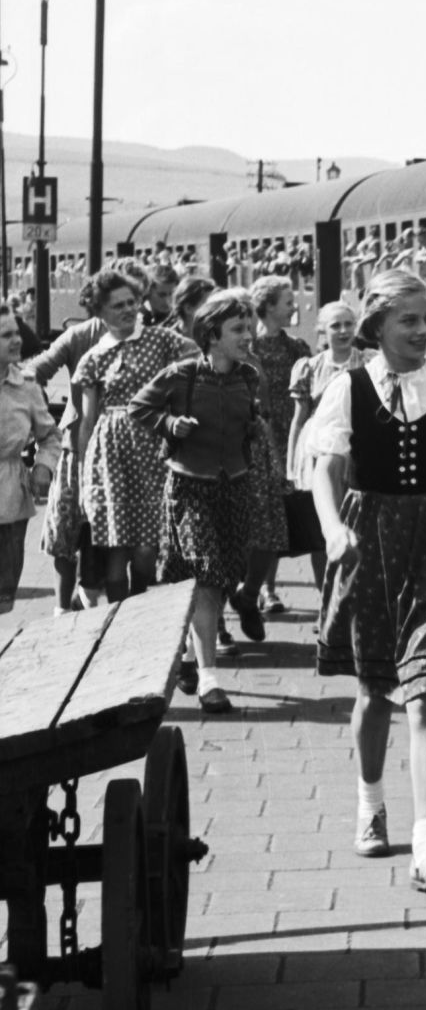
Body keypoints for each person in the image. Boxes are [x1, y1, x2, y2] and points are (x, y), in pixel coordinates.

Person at [302, 267, 426, 899]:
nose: (423, 331)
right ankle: (369, 801)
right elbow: (325, 469)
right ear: (378, 326)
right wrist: (334, 530)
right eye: (409, 320)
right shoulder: (348, 387)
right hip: (373, 543)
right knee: (373, 690)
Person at [129, 289, 288, 716]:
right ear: (212, 335)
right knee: (205, 574)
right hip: (190, 488)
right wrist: (170, 424)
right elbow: (138, 407)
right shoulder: (182, 374)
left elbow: (252, 420)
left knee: (219, 574)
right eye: (238, 329)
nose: (248, 336)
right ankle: (210, 680)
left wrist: (254, 432)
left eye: (250, 327)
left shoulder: (248, 376)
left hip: (233, 487)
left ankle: (183, 652)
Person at [71, 270, 198, 608]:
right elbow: (87, 420)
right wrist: (85, 477)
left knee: (146, 549)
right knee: (116, 549)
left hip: (153, 450)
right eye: (118, 306)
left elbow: (199, 359)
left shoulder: (162, 340)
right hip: (110, 457)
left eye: (132, 302)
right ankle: (118, 621)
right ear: (101, 313)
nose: (128, 310)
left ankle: (138, 604)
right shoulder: (94, 358)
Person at [25, 266, 139, 613]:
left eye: (132, 301)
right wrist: (29, 407)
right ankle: (62, 609)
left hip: (127, 452)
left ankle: (102, 602)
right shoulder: (79, 336)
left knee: (119, 537)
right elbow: (38, 370)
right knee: (65, 530)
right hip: (79, 448)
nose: (128, 311)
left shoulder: (147, 338)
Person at [288, 300, 367, 594]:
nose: (344, 331)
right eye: (336, 325)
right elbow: (299, 418)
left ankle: (355, 594)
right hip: (318, 447)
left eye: (349, 324)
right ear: (323, 330)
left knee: (358, 521)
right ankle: (326, 596)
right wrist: (290, 466)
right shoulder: (310, 367)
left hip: (358, 447)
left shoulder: (369, 361)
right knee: (321, 525)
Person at [245, 278, 312, 619]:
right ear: (268, 307)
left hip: (294, 434)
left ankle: (269, 589)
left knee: (288, 513)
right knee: (268, 514)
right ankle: (265, 590)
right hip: (262, 438)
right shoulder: (248, 348)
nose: (294, 307)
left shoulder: (297, 347)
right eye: (287, 302)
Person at [0, 308, 61, 612]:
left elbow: (49, 435)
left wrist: (43, 467)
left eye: (15, 333)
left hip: (10, 498)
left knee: (2, 600)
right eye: (6, 335)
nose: (17, 340)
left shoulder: (26, 387)